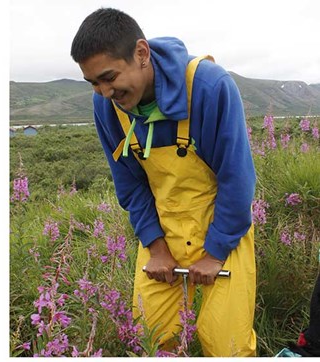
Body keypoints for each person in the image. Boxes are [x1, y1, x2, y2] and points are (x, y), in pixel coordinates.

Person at [70, 8, 257, 357]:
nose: (104, 91)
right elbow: (129, 184)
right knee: (152, 336)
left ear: (141, 54)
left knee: (226, 343)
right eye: (93, 82)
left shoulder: (209, 87)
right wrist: (156, 247)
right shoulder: (106, 106)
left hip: (223, 227)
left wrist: (216, 253)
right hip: (161, 229)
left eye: (109, 77)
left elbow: (237, 178)